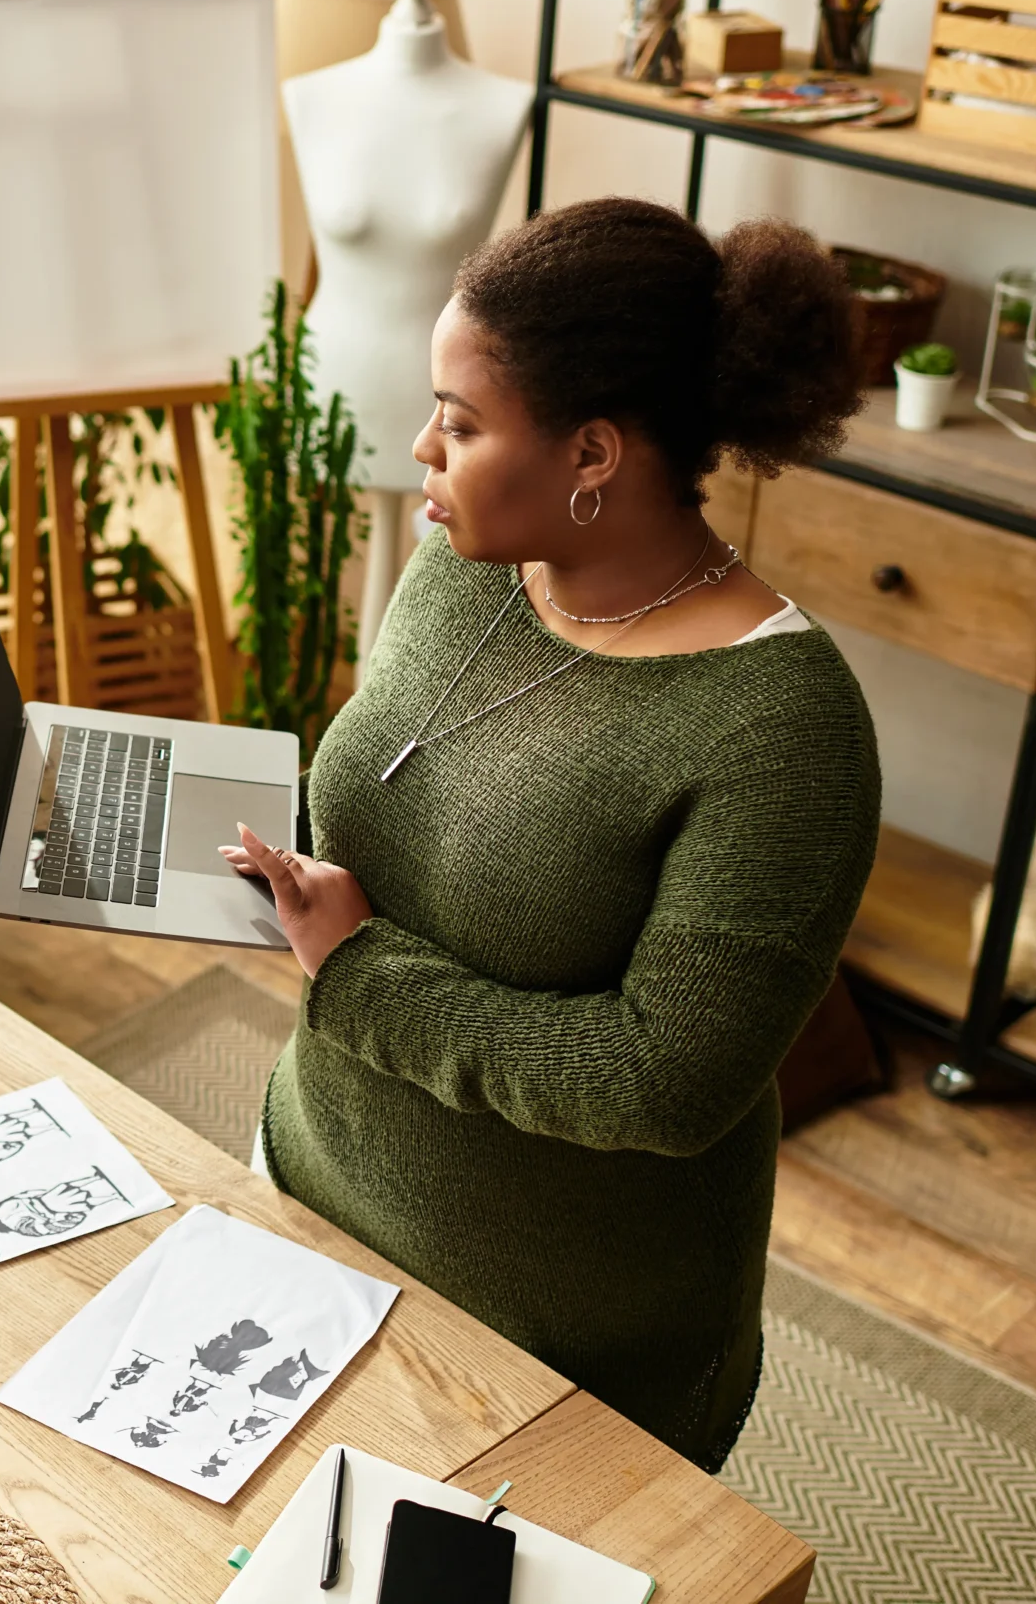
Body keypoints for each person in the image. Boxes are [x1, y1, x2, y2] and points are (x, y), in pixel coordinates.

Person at [231, 196, 880, 1471]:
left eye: (461, 425)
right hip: (309, 1179)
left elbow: (662, 1081)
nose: (420, 447)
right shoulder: (468, 560)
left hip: (558, 1339)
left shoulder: (782, 731)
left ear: (592, 454)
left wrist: (354, 972)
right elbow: (397, 796)